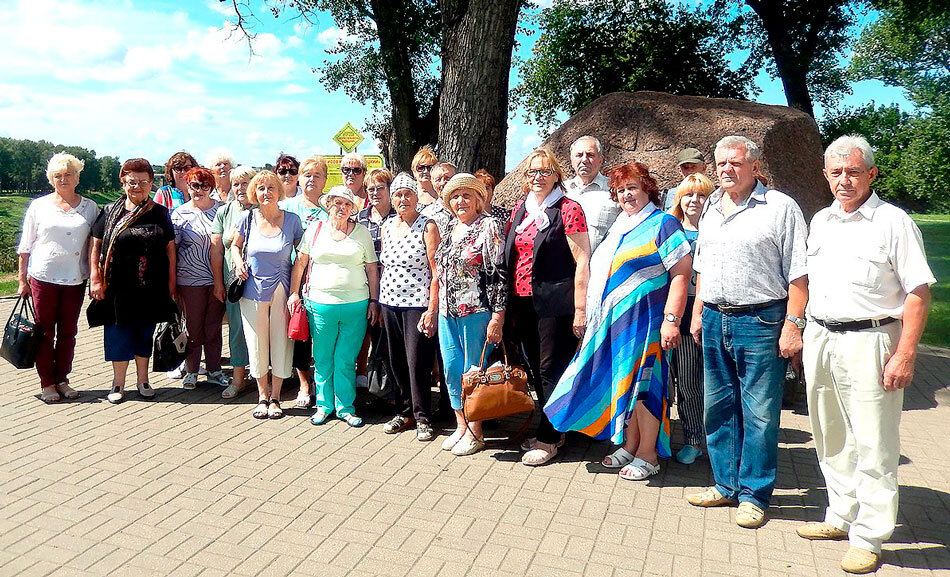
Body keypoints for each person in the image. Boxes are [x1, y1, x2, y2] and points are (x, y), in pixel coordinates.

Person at [797, 135, 935, 574]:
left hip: (872, 341)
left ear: (871, 174)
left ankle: (870, 536)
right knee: (830, 434)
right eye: (836, 172)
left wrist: (905, 354)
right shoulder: (820, 221)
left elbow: (918, 292)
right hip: (822, 336)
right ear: (825, 175)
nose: (844, 180)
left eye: (853, 171)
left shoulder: (893, 222)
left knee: (874, 441)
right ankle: (840, 515)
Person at [685, 135, 808, 529]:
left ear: (755, 167)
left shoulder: (781, 208)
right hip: (715, 317)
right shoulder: (711, 210)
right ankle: (725, 484)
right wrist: (698, 310)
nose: (726, 169)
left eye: (735, 163)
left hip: (761, 322)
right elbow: (702, 266)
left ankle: (755, 494)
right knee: (717, 407)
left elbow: (800, 274)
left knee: (759, 414)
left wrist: (794, 324)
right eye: (721, 163)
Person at [545, 161, 691, 478]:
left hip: (648, 322)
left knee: (646, 387)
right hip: (617, 324)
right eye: (621, 189)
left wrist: (671, 319)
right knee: (625, 384)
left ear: (647, 189)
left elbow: (681, 274)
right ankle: (631, 444)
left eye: (633, 187)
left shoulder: (663, 223)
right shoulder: (621, 226)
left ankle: (649, 455)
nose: (627, 194)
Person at [504, 148, 592, 466]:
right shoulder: (521, 210)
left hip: (556, 303)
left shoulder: (568, 208)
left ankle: (551, 437)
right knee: (536, 372)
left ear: (556, 175)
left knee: (550, 370)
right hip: (523, 302)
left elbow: (582, 259)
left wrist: (580, 309)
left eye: (544, 171)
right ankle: (552, 424)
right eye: (532, 172)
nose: (537, 177)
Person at [288, 186, 380, 428]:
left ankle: (346, 408)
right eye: (337, 203)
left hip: (355, 305)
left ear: (352, 209)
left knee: (346, 358)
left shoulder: (362, 233)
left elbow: (372, 268)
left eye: (347, 204)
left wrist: (374, 300)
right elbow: (301, 263)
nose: (341, 208)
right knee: (323, 357)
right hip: (320, 304)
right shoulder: (315, 230)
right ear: (328, 205)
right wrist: (293, 293)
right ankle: (323, 406)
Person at [89, 158, 177, 404]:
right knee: (118, 333)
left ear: (151, 184)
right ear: (122, 182)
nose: (136, 187)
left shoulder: (160, 213)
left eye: (142, 182)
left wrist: (172, 282)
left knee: (144, 334)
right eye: (131, 182)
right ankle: (118, 383)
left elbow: (170, 249)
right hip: (117, 287)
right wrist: (95, 279)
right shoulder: (109, 212)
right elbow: (95, 246)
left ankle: (143, 380)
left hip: (151, 285)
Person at [17, 152, 100, 402]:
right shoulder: (39, 206)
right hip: (43, 277)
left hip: (75, 279)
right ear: (51, 179)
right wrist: (22, 280)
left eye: (68, 175)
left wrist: (96, 276)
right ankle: (47, 383)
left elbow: (95, 244)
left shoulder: (89, 207)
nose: (63, 179)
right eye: (57, 176)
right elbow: (25, 245)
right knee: (44, 332)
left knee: (68, 333)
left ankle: (63, 378)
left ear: (77, 177)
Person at [435, 174, 507, 457]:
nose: (460, 201)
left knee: (473, 372)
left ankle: (477, 432)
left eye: (466, 195)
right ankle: (461, 425)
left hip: (476, 311)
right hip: (446, 312)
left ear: (478, 200)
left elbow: (498, 273)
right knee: (452, 370)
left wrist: (497, 316)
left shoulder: (488, 226)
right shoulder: (450, 226)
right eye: (455, 196)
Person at [231, 170, 304, 419]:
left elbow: (303, 257)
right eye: (261, 188)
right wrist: (238, 262)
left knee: (281, 343)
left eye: (271, 188)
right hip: (251, 290)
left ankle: (276, 398)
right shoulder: (247, 218)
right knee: (257, 343)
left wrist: (297, 289)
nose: (266, 193)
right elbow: (235, 245)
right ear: (254, 192)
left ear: (278, 191)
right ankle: (262, 396)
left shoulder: (292, 220)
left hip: (282, 289)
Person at [379, 172, 441, 441]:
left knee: (418, 362)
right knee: (397, 361)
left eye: (408, 194)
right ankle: (403, 412)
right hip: (389, 302)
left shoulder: (428, 226)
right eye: (398, 195)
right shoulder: (388, 225)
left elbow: (436, 270)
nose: (403, 199)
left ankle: (423, 416)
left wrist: (432, 308)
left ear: (417, 197)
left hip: (417, 303)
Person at [667, 173, 714, 465]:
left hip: (714, 313)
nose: (694, 201)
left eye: (701, 196)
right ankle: (694, 439)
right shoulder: (671, 231)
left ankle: (723, 440)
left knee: (718, 382)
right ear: (679, 199)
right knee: (687, 382)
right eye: (688, 195)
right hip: (683, 316)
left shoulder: (720, 229)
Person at [280, 156, 329, 408]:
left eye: (317, 175)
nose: (311, 179)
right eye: (307, 174)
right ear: (300, 178)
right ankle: (304, 384)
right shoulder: (286, 207)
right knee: (300, 333)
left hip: (322, 279)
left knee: (321, 334)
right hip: (293, 276)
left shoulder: (330, 210)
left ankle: (323, 383)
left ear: (325, 180)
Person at [171, 167, 226, 390]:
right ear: (187, 186)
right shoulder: (179, 214)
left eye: (204, 186)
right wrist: (172, 282)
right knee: (193, 329)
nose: (199, 190)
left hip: (217, 279)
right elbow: (172, 250)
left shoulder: (222, 210)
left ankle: (214, 370)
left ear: (211, 187)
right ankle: (191, 370)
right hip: (189, 280)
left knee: (213, 328)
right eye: (194, 185)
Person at [211, 165, 256, 399]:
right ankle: (238, 378)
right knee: (237, 330)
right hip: (234, 283)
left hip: (261, 282)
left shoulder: (264, 210)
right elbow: (217, 250)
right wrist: (218, 282)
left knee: (262, 330)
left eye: (245, 183)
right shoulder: (224, 212)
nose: (240, 188)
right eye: (236, 183)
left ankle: (263, 378)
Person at [355, 168, 396, 389]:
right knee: (363, 333)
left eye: (380, 188)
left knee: (386, 337)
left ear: (389, 189)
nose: (375, 193)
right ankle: (362, 377)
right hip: (364, 284)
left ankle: (387, 387)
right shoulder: (359, 219)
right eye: (370, 189)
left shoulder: (399, 216)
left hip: (392, 284)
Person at [564, 135, 619, 252]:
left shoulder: (615, 189)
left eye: (590, 155)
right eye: (579, 155)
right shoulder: (561, 191)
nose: (584, 160)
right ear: (571, 160)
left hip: (603, 266)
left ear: (600, 160)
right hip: (563, 266)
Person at [421, 162, 456, 236]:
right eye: (438, 180)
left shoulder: (466, 208)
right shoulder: (426, 215)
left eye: (447, 178)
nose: (443, 183)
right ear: (432, 183)